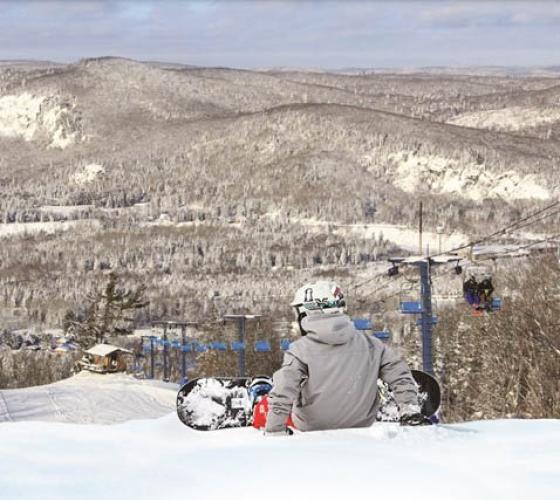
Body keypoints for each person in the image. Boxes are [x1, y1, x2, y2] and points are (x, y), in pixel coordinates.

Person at [263, 281, 429, 435]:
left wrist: (275, 429)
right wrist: (409, 409)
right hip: (361, 425)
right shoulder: (372, 345)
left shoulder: (299, 350)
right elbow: (399, 375)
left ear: (308, 311)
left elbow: (284, 389)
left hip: (312, 428)